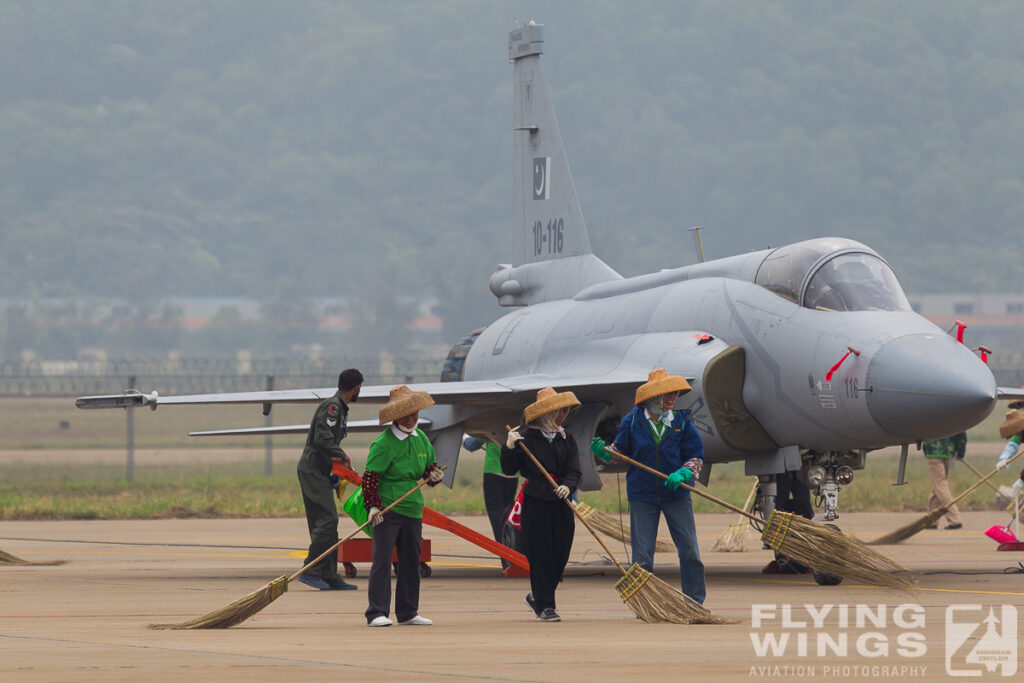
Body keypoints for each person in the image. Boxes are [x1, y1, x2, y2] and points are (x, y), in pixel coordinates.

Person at [590, 368, 706, 604]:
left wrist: (684, 472)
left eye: (674, 394)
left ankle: (694, 601)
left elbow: (695, 457)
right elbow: (620, 453)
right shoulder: (632, 421)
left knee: (690, 551)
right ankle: (646, 603)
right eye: (667, 395)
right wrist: (605, 452)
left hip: (677, 494)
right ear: (653, 398)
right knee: (642, 557)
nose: (672, 399)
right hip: (642, 496)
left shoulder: (682, 422)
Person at [363, 385, 444, 627]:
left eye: (415, 413)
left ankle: (408, 612)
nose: (412, 418)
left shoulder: (422, 440)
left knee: (411, 561)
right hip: (388, 509)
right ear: (395, 416)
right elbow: (370, 479)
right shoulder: (383, 444)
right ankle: (376, 612)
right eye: (407, 414)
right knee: (382, 561)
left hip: (412, 509)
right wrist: (373, 507)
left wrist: (434, 476)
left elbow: (428, 471)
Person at [502, 388, 582, 623]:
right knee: (541, 554)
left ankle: (537, 595)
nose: (562, 415)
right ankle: (546, 606)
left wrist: (568, 485)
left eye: (565, 411)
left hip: (561, 499)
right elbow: (509, 469)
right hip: (536, 501)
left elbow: (575, 470)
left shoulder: (567, 438)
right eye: (558, 411)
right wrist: (509, 448)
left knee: (561, 553)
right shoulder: (525, 438)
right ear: (546, 413)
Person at [296, 368, 363, 590]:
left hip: (321, 470)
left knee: (326, 524)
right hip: (313, 470)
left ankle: (329, 574)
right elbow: (323, 439)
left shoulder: (340, 408)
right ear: (356, 388)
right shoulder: (332, 407)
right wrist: (341, 454)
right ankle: (311, 570)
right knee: (327, 520)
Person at [462, 434, 519, 560]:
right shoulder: (516, 426)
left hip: (493, 472)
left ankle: (505, 553)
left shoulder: (492, 425)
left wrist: (464, 437)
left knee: (496, 514)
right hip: (512, 475)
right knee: (508, 513)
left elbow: (472, 445)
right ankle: (513, 547)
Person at [921, 432, 966, 530]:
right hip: (948, 451)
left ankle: (955, 520)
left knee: (940, 485)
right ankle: (932, 520)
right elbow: (961, 435)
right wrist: (960, 452)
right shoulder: (954, 418)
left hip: (933, 451)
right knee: (938, 487)